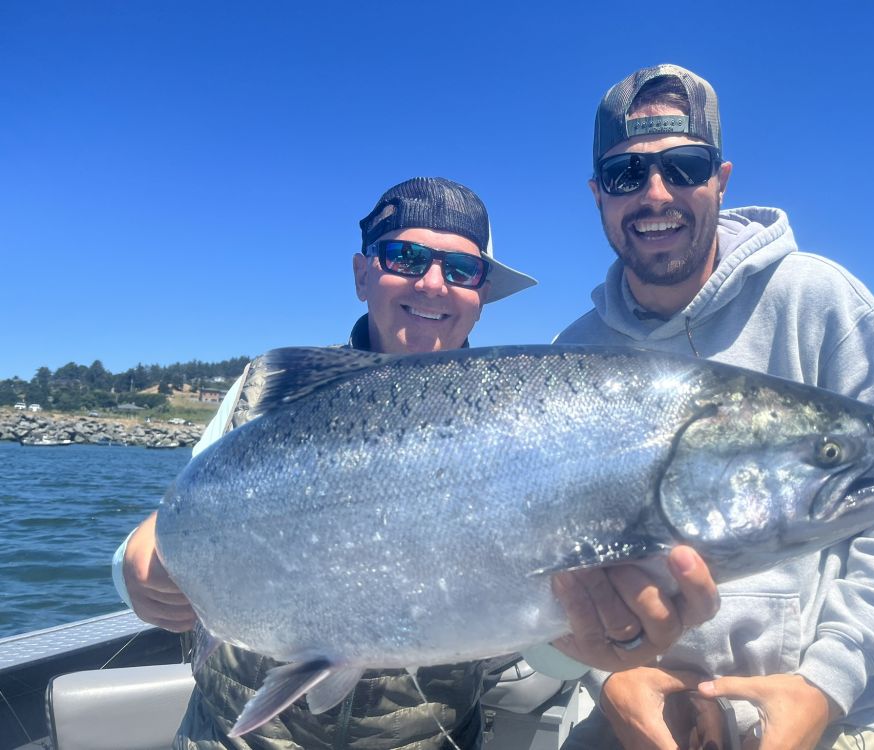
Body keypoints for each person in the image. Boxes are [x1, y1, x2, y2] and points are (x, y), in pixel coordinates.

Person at [112, 176, 721, 749]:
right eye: (405, 258)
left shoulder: (528, 430)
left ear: (480, 294)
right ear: (362, 274)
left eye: (461, 269)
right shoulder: (262, 391)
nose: (433, 283)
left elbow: (541, 647)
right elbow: (173, 526)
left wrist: (592, 637)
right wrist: (136, 563)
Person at [555, 64, 874, 750]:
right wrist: (608, 680)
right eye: (628, 174)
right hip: (633, 712)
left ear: (720, 179)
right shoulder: (569, 356)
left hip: (814, 712)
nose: (655, 193)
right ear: (599, 194)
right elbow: (543, 573)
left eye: (683, 167)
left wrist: (826, 682)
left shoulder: (819, 301)